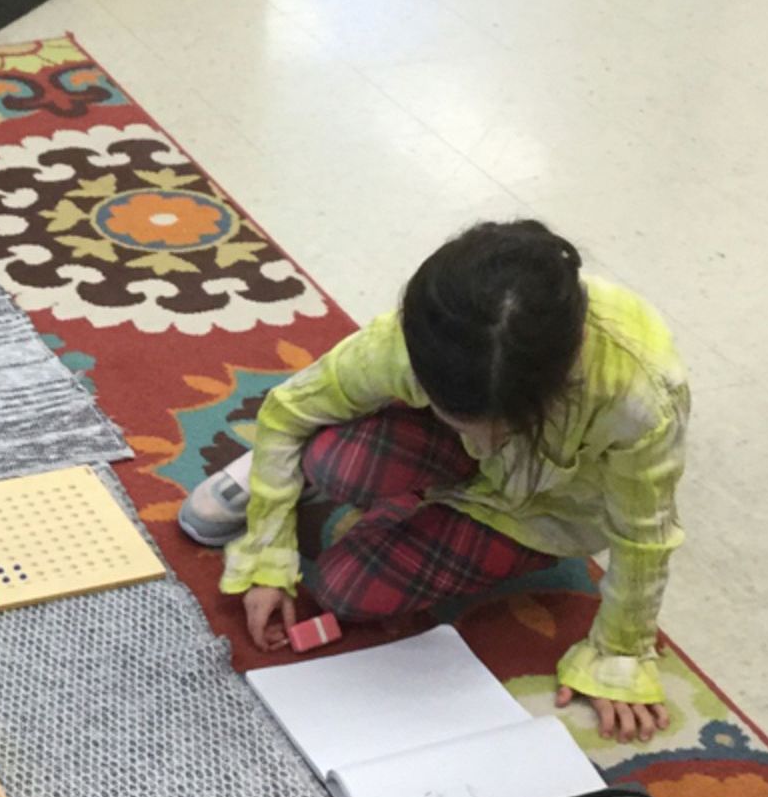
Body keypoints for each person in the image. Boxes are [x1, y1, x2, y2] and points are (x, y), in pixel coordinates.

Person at [182, 220, 688, 745]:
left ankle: (341, 475)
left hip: (543, 507)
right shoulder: (417, 339)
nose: (486, 442)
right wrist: (267, 557)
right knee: (337, 460)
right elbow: (286, 410)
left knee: (346, 590)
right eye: (461, 418)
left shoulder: (639, 397)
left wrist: (621, 653)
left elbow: (643, 534)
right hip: (444, 438)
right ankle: (297, 466)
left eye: (504, 427)